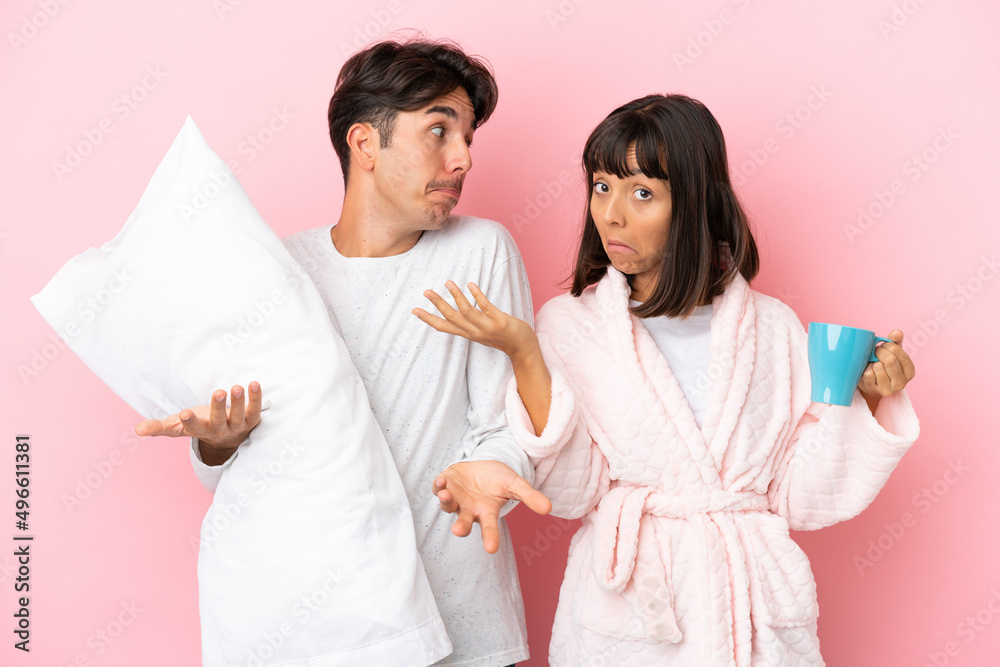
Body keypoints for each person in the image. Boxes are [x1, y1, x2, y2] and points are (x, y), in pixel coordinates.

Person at [415, 94, 919, 666]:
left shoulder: (773, 328)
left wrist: (870, 401)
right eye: (602, 187)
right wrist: (525, 351)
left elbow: (801, 498)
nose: (611, 214)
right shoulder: (573, 326)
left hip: (752, 614)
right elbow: (574, 490)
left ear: (696, 205)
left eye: (642, 193)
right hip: (633, 615)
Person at [136, 37, 551, 667]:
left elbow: (507, 424)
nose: (463, 158)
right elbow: (234, 471)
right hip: (326, 627)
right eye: (439, 131)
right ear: (364, 146)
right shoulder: (282, 271)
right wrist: (216, 443)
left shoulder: (481, 252)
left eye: (468, 138)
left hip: (460, 619)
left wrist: (490, 468)